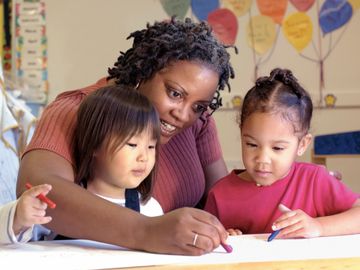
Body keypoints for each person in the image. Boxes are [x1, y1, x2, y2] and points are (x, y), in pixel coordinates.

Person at [17, 17, 233, 255]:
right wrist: (147, 231)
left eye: (199, 106)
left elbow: (225, 201)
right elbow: (41, 189)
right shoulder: (78, 109)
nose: (183, 114)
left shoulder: (198, 122)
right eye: (174, 93)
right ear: (143, 73)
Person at [204, 68, 360, 238]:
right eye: (252, 144)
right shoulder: (220, 194)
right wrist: (224, 237)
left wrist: (318, 226)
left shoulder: (314, 180)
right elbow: (208, 241)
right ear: (241, 134)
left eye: (277, 148)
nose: (262, 159)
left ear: (302, 144)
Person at [72, 85, 163, 216]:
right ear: (94, 144)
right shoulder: (64, 200)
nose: (144, 157)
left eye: (151, 147)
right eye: (132, 144)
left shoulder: (150, 210)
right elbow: (33, 232)